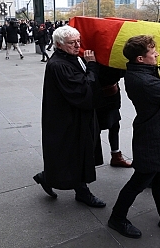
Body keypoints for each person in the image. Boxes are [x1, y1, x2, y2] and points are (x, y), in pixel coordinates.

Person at [107, 35, 160, 239]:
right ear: (140, 59)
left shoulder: (140, 72)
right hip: (153, 138)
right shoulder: (145, 81)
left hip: (158, 132)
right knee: (139, 181)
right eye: (152, 51)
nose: (156, 53)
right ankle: (117, 218)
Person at [32, 26, 105, 208]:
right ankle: (82, 191)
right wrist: (92, 66)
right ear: (59, 44)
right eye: (72, 43)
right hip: (67, 118)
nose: (77, 45)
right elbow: (82, 90)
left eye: (78, 41)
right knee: (73, 154)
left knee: (74, 153)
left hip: (76, 115)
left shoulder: (72, 58)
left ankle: (48, 177)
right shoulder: (59, 65)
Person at [94, 65, 131, 168]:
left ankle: (116, 155)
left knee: (114, 125)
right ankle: (92, 158)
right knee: (95, 128)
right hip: (97, 95)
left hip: (111, 94)